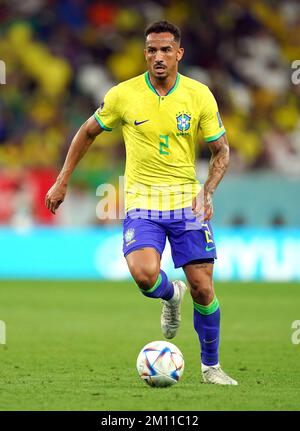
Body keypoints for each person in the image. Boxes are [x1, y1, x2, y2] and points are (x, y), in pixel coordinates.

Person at [45, 20, 237, 385]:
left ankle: (211, 368)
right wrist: (62, 179)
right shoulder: (123, 95)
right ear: (144, 54)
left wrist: (207, 191)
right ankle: (169, 295)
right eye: (151, 50)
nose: (158, 57)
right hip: (143, 203)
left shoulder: (199, 95)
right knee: (145, 276)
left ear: (179, 53)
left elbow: (221, 151)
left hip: (187, 204)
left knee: (204, 288)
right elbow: (87, 131)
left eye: (166, 50)